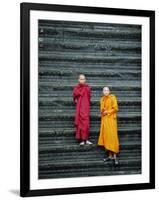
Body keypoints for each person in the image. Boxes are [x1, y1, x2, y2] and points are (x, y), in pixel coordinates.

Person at [98, 86, 120, 165]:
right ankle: (110, 156)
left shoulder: (112, 97)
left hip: (111, 120)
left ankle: (114, 156)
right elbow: (101, 109)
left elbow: (116, 108)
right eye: (104, 90)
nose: (106, 91)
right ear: (103, 92)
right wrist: (103, 111)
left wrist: (107, 112)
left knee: (112, 137)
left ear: (109, 91)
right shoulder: (102, 99)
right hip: (105, 120)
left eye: (107, 90)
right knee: (107, 137)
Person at [73, 74, 93, 145]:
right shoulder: (76, 88)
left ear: (85, 80)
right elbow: (75, 97)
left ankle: (86, 139)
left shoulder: (87, 88)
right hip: (80, 108)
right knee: (81, 125)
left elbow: (89, 97)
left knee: (86, 124)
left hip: (86, 108)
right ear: (78, 80)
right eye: (81, 79)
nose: (82, 80)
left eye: (83, 79)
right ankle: (82, 140)